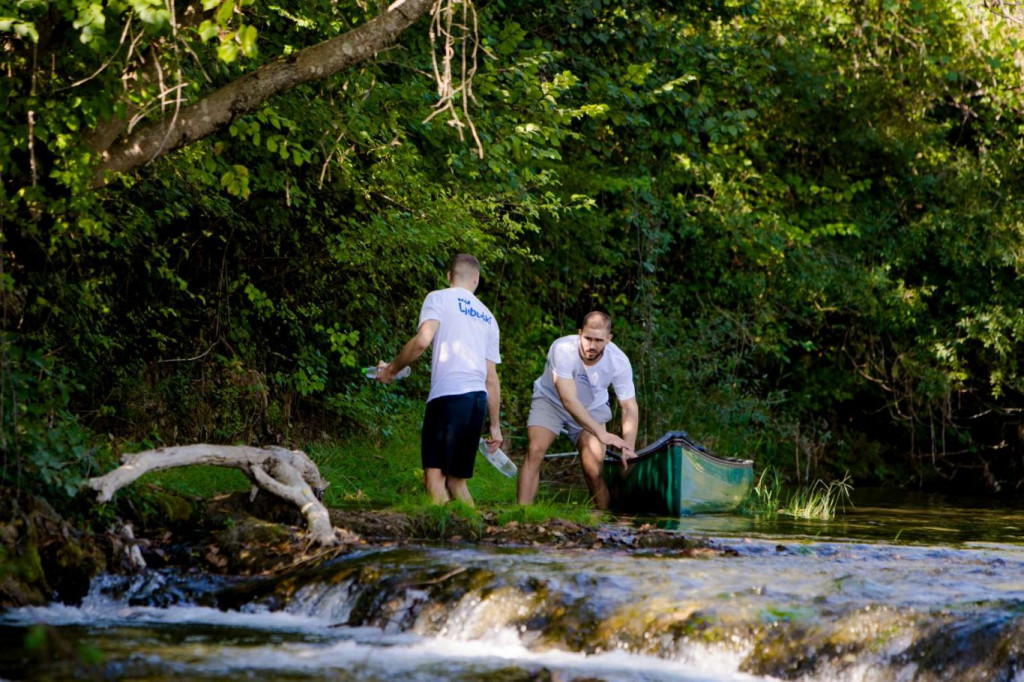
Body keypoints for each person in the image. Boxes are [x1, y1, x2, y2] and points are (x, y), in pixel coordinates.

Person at [374, 254, 502, 506]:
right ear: (476, 279)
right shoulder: (488, 317)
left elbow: (422, 342)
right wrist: (495, 425)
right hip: (477, 402)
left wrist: (391, 370)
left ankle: (442, 539)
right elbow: (491, 377)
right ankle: (472, 537)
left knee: (434, 478)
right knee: (456, 481)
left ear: (448, 277)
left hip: (449, 398)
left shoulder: (439, 297)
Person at [517, 311, 638, 509]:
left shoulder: (619, 361)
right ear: (580, 333)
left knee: (593, 469)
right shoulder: (562, 348)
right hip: (552, 400)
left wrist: (629, 448)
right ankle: (521, 513)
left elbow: (629, 406)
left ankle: (606, 521)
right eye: (588, 338)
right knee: (535, 449)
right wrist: (601, 433)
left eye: (598, 340)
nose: (592, 345)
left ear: (609, 339)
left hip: (593, 407)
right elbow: (568, 399)